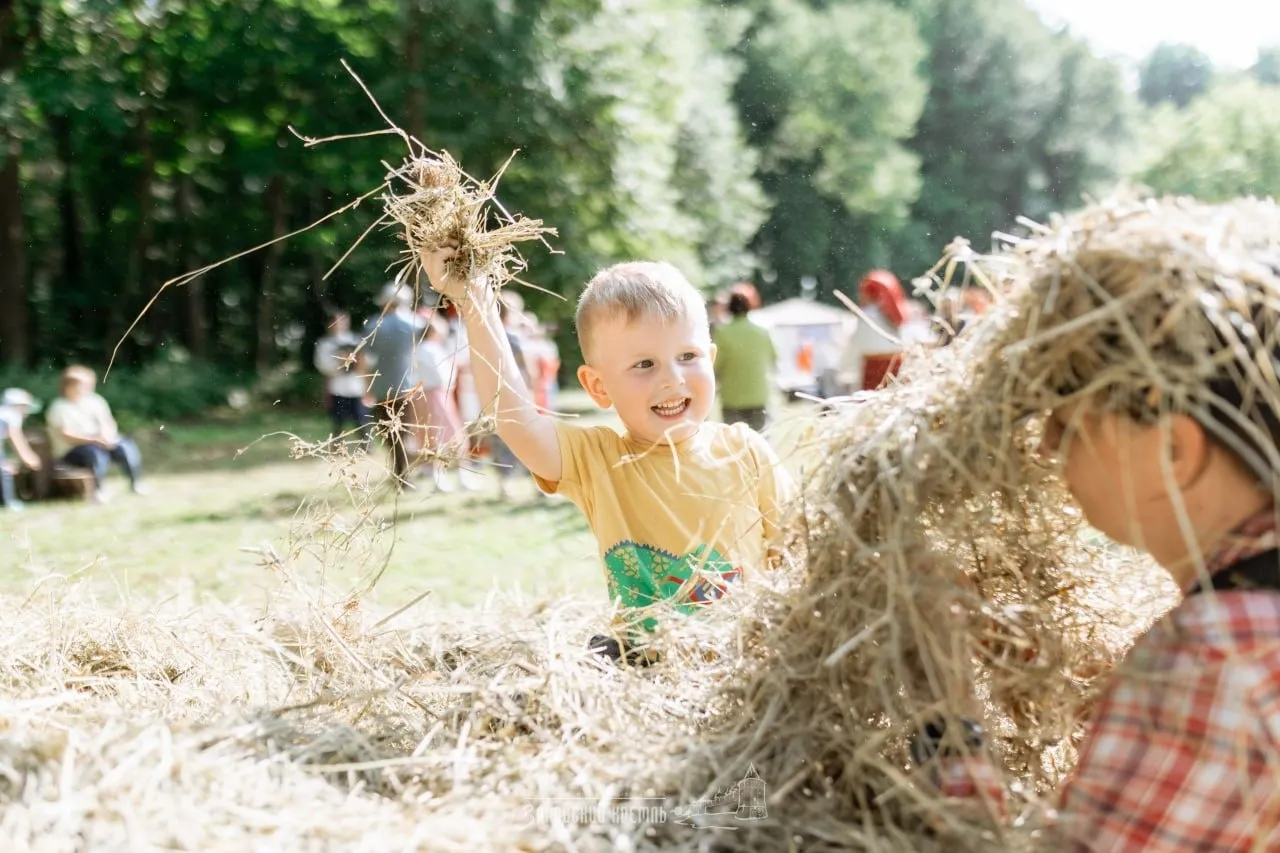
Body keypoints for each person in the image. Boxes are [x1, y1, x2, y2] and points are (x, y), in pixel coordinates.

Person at [911, 203, 1280, 850]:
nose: (1048, 445)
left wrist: (944, 712)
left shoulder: (1214, 656)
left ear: (1173, 450)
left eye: (1070, 419)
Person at [422, 247, 794, 663]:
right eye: (644, 364)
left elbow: (799, 559)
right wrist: (475, 300)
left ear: (710, 358)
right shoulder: (597, 460)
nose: (672, 380)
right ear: (597, 387)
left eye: (687, 357)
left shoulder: (747, 452)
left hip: (751, 669)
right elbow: (515, 421)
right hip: (648, 676)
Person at [46, 366, 145, 501]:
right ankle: (99, 491)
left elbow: (108, 422)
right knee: (94, 453)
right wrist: (94, 440)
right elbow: (66, 435)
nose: (86, 388)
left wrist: (108, 437)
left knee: (125, 446)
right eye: (81, 385)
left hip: (99, 442)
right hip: (72, 450)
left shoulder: (95, 401)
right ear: (68, 386)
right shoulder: (59, 407)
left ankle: (136, 484)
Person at [363, 282, 421, 484]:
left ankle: (399, 473)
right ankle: (402, 473)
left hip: (382, 389)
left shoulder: (373, 325)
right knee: (405, 432)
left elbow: (364, 361)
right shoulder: (416, 323)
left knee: (389, 434)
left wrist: (366, 389)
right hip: (410, 387)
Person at [837, 270, 932, 393]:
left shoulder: (867, 316)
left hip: (872, 373)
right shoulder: (902, 314)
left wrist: (841, 368)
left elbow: (856, 346)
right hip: (897, 370)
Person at [712, 290, 778, 431]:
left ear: (729, 308)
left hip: (732, 398)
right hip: (759, 395)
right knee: (759, 440)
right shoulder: (762, 331)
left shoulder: (723, 333)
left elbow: (716, 365)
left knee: (734, 444)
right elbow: (774, 358)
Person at [313, 311, 372, 446]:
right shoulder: (325, 344)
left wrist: (358, 363)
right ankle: (337, 446)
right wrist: (340, 362)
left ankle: (366, 446)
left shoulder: (356, 340)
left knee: (361, 419)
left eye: (343, 321)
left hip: (356, 386)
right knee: (338, 421)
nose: (340, 325)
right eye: (337, 322)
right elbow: (323, 365)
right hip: (337, 387)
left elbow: (367, 363)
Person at [0, 388, 42, 511]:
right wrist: (28, 457)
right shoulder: (11, 414)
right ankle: (9, 502)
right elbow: (16, 438)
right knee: (5, 472)